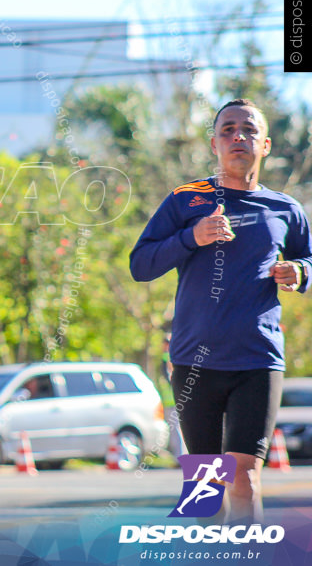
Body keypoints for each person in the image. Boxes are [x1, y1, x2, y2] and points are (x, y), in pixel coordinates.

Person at [130, 99, 312, 524]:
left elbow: (311, 261)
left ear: (264, 145)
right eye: (228, 130)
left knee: (245, 476)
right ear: (214, 144)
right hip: (195, 361)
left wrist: (299, 272)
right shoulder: (186, 200)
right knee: (205, 484)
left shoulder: (286, 209)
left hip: (258, 358)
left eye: (248, 130)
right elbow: (141, 264)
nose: (238, 137)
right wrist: (191, 236)